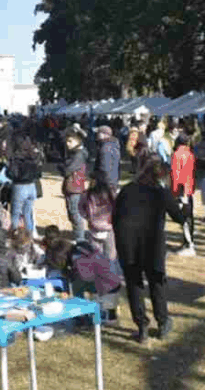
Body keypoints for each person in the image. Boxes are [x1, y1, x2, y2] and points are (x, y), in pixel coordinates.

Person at [113, 156, 184, 342]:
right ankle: (162, 322)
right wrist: (185, 207)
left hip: (128, 243)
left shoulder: (127, 189)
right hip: (151, 243)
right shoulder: (161, 192)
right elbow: (180, 217)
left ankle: (142, 326)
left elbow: (115, 217)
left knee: (134, 284)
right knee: (156, 283)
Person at [4, 134, 41, 234]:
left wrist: (8, 169)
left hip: (20, 186)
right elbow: (39, 173)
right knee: (27, 214)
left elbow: (12, 174)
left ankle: (14, 235)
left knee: (15, 214)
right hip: (31, 186)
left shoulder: (16, 157)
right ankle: (30, 236)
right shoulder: (34, 156)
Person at [170, 133, 197, 256]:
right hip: (188, 189)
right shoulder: (190, 154)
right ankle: (188, 242)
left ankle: (189, 245)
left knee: (185, 219)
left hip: (181, 190)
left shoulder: (177, 155)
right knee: (189, 217)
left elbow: (177, 175)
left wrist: (176, 193)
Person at [79, 176, 117, 261]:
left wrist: (87, 217)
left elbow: (80, 208)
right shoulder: (111, 194)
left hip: (93, 227)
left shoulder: (86, 194)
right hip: (109, 227)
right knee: (111, 256)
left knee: (95, 256)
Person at [62, 129, 89, 242]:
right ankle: (77, 235)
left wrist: (63, 166)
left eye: (70, 141)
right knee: (72, 214)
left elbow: (67, 170)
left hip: (75, 187)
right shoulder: (75, 154)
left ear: (77, 141)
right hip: (72, 186)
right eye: (67, 141)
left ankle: (80, 239)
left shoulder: (78, 155)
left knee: (75, 214)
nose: (68, 144)